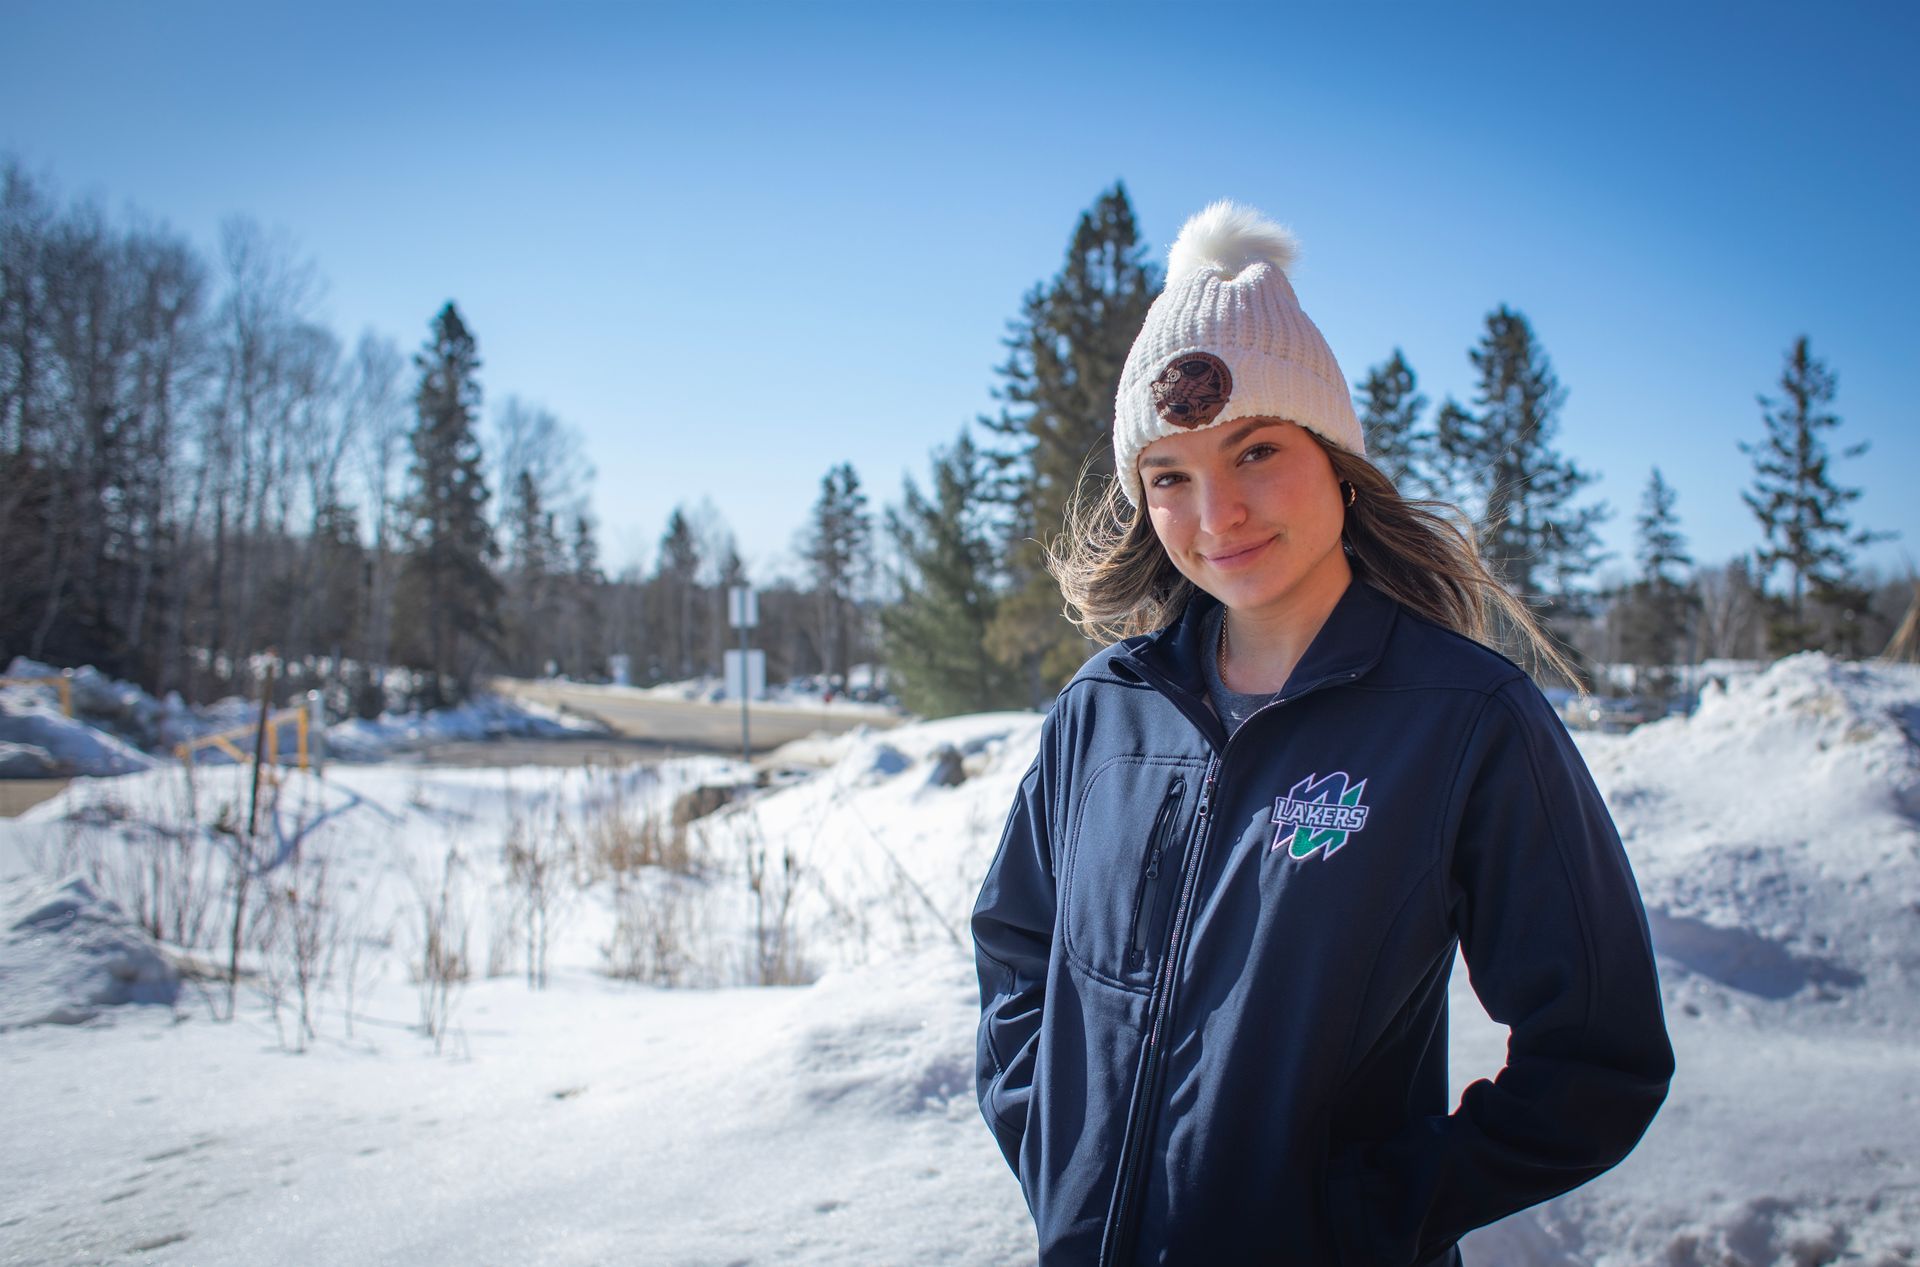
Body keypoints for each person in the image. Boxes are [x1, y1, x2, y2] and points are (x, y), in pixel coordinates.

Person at [971, 202, 1673, 1266]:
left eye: (1255, 450)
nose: (1218, 514)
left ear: (1337, 456)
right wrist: (1059, 1157)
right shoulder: (1105, 713)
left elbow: (1599, 1059)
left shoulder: (1465, 719)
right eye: (1171, 475)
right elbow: (1020, 954)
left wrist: (1367, 1219)